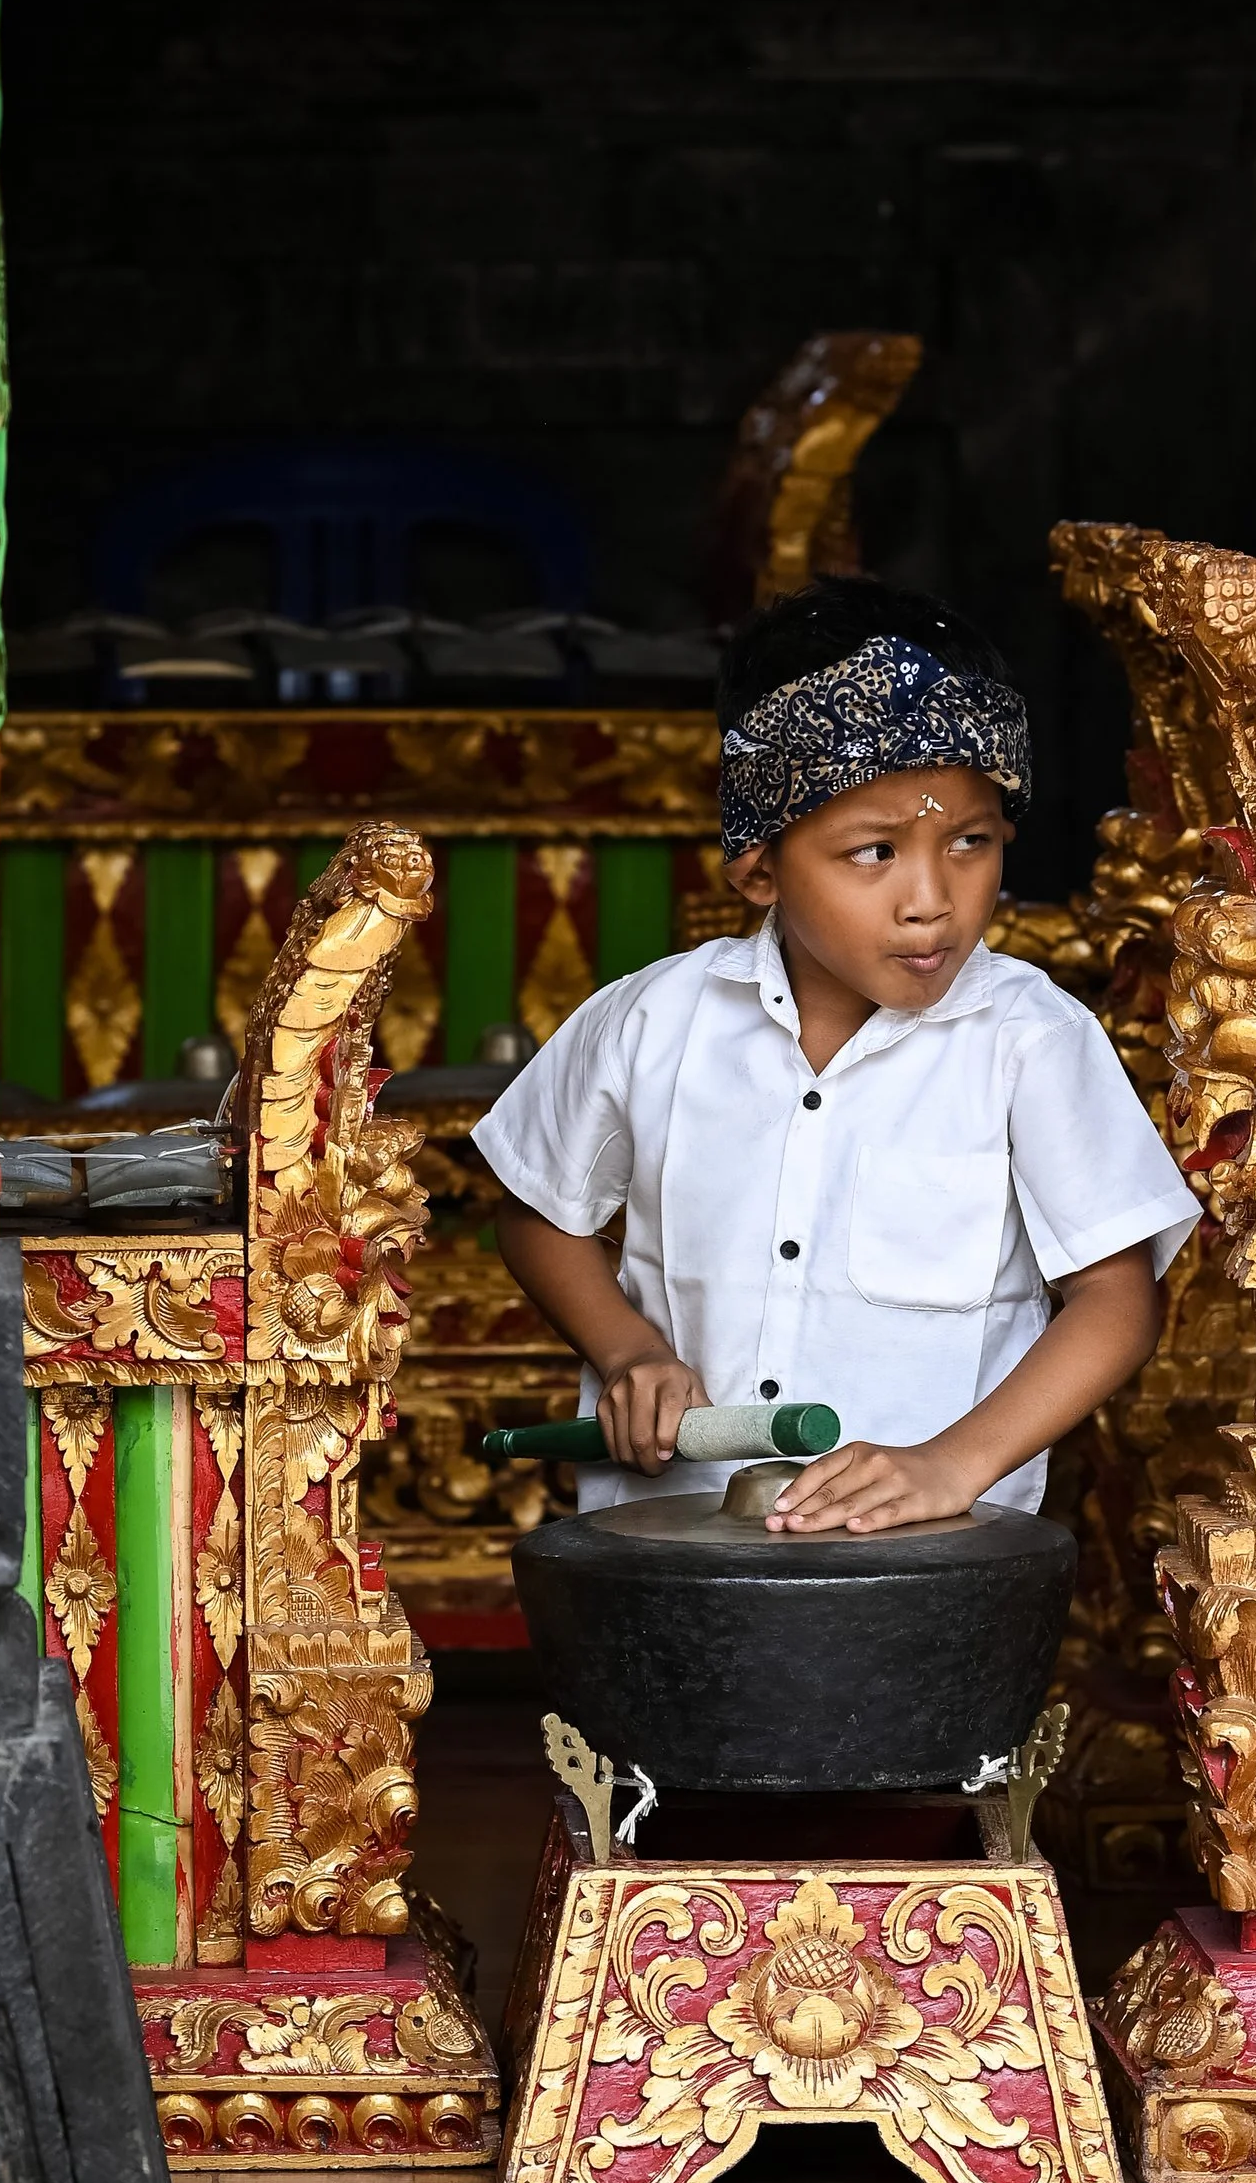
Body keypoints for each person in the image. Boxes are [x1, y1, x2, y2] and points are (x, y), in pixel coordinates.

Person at [474, 574, 1201, 1535]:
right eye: (873, 852)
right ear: (759, 865)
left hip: (926, 1563)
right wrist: (628, 1353)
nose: (930, 899)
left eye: (971, 842)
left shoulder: (1032, 1040)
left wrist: (952, 1463)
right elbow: (535, 1211)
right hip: (678, 1555)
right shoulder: (653, 1020)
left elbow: (1116, 1300)